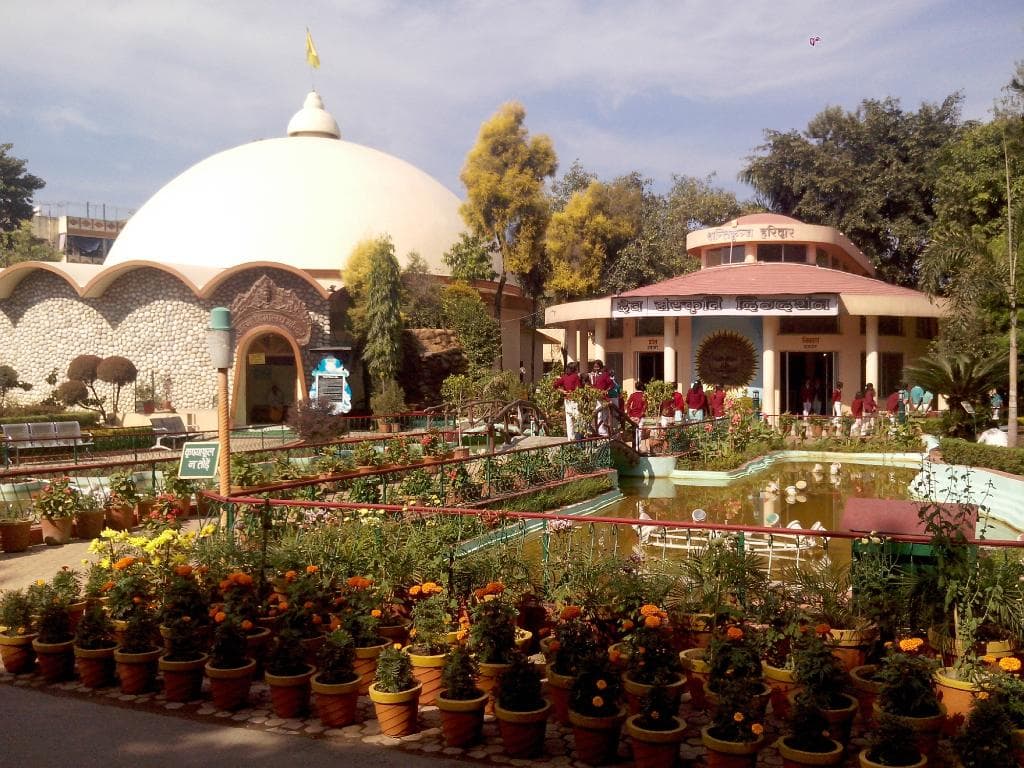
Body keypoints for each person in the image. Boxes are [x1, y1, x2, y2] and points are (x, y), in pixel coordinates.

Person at [553, 362, 582, 438]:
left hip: (567, 400)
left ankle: (570, 438)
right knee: (578, 418)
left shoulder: (564, 377)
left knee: (569, 420)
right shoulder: (576, 377)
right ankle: (579, 437)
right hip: (574, 400)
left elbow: (555, 385)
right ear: (574, 369)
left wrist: (563, 391)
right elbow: (579, 389)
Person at [590, 360, 613, 437]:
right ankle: (601, 430)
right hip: (598, 396)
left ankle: (603, 430)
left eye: (597, 367)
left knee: (604, 414)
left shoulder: (605, 375)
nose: (596, 368)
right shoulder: (597, 376)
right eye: (595, 367)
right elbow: (595, 386)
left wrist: (606, 391)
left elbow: (611, 384)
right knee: (600, 414)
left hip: (603, 397)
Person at [625, 382, 647, 451]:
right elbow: (645, 407)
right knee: (639, 433)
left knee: (634, 432)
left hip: (633, 416)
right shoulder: (644, 396)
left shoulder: (632, 395)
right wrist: (639, 417)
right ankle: (637, 448)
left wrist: (629, 414)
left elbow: (628, 405)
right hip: (640, 417)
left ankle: (634, 448)